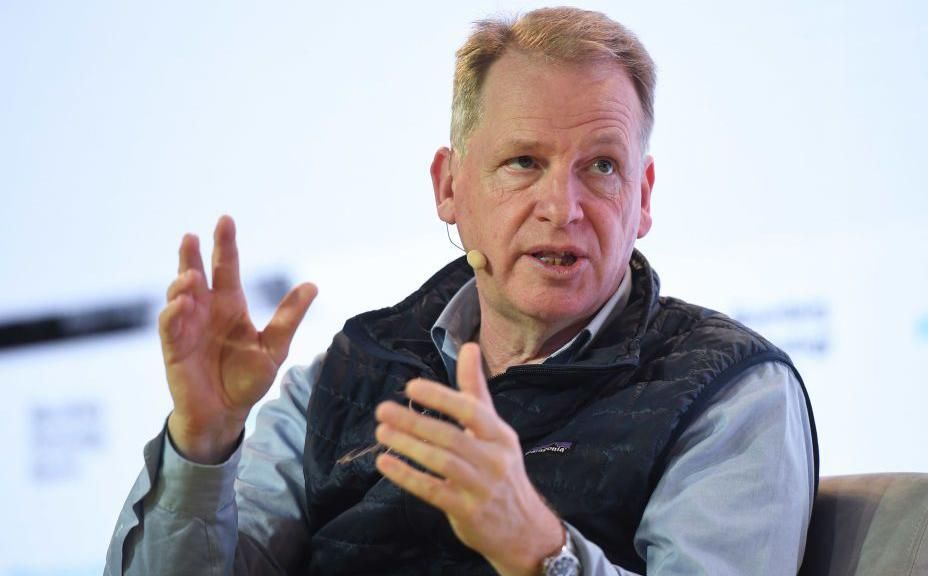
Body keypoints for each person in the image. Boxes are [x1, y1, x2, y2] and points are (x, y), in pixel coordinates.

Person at [105, 7, 817, 576]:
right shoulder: (347, 371)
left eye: (601, 166)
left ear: (644, 196)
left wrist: (543, 552)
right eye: (523, 162)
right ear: (450, 187)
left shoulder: (731, 391)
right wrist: (202, 446)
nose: (562, 206)